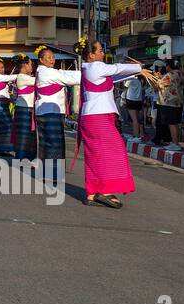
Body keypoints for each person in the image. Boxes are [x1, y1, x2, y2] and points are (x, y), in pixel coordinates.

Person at [77, 39, 145, 208]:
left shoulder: (89, 69)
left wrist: (138, 73)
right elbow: (117, 68)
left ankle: (92, 193)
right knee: (113, 151)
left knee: (95, 154)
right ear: (91, 55)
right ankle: (105, 190)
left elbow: (115, 75)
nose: (102, 53)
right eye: (100, 51)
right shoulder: (95, 67)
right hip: (98, 117)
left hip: (92, 116)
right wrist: (139, 67)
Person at [34, 46, 81, 167]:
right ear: (41, 60)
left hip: (44, 112)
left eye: (53, 57)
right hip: (50, 112)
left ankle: (46, 172)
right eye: (48, 57)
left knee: (46, 143)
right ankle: (52, 174)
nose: (52, 60)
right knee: (54, 144)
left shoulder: (43, 71)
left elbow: (64, 73)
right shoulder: (47, 72)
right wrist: (90, 73)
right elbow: (69, 78)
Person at [0, 58, 18, 155]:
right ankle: (2, 148)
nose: (2, 69)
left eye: (3, 67)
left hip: (2, 103)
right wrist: (21, 75)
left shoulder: (1, 77)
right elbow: (10, 78)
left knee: (0, 127)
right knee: (5, 126)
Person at [12, 55, 36, 159]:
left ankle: (26, 158)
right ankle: (22, 159)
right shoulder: (22, 77)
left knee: (29, 135)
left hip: (27, 108)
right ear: (25, 65)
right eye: (31, 64)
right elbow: (39, 81)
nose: (32, 67)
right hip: (24, 109)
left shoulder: (27, 77)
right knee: (24, 136)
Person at [123, 72, 144, 139]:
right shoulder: (139, 80)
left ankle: (136, 135)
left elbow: (125, 88)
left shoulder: (130, 79)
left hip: (131, 99)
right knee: (137, 118)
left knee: (134, 119)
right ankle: (140, 134)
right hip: (138, 100)